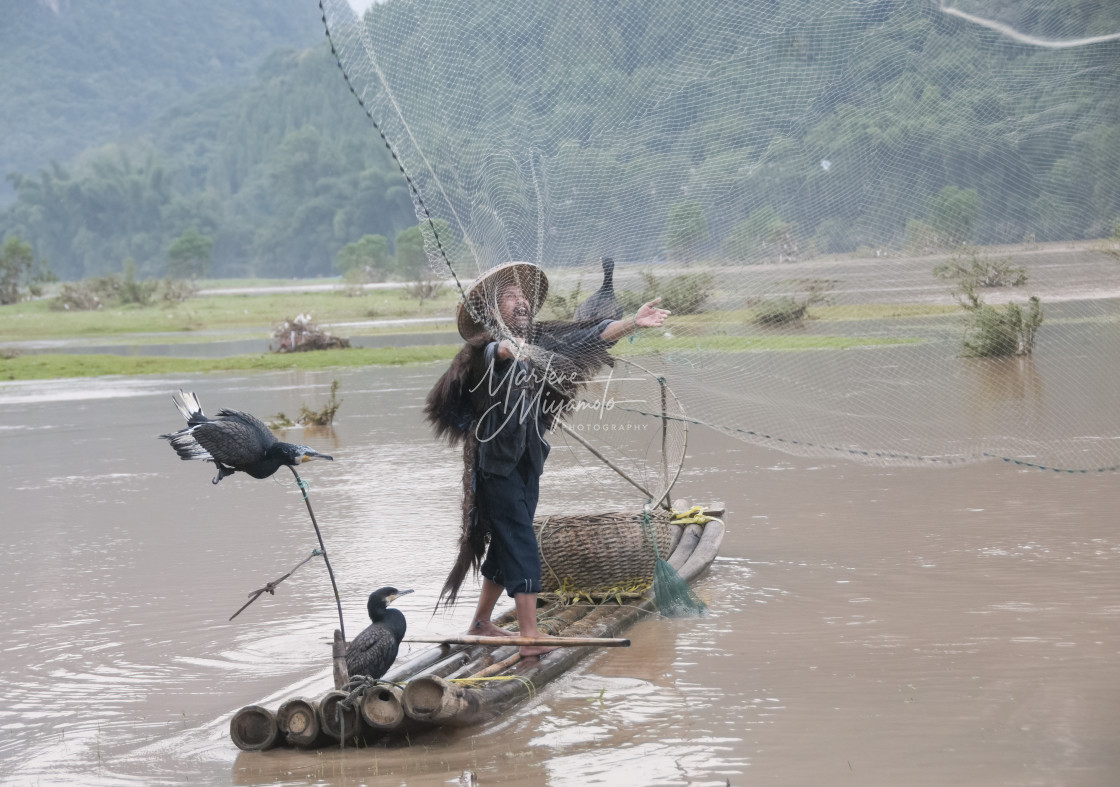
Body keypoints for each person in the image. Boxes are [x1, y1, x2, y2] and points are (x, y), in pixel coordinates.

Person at [425, 261, 669, 657]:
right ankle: (529, 636)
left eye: (523, 296)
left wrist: (633, 324)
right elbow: (496, 351)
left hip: (527, 461)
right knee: (521, 541)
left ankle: (481, 622)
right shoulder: (485, 351)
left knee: (506, 546)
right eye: (509, 297)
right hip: (494, 467)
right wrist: (509, 348)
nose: (520, 301)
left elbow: (589, 337)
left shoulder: (542, 340)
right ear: (491, 310)